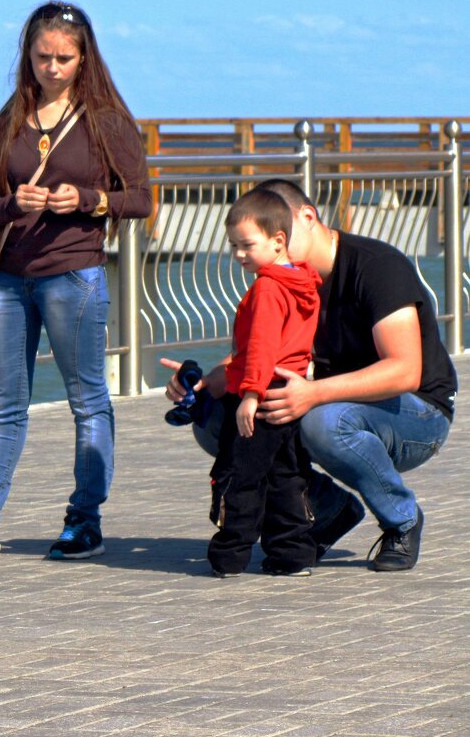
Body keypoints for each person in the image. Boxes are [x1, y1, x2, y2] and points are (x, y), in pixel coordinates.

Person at [0, 1, 151, 559]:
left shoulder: (107, 122)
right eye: (42, 57)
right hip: (9, 280)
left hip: (75, 275)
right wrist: (11, 202)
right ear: (28, 56)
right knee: (5, 405)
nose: (53, 68)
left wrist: (89, 200)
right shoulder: (11, 119)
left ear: (84, 58)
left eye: (64, 58)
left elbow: (139, 199)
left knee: (88, 400)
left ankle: (84, 520)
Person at [165, 179, 457, 572]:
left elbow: (405, 371)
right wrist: (199, 384)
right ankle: (326, 511)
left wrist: (313, 393)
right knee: (218, 419)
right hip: (333, 399)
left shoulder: (376, 267)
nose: (275, 245)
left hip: (417, 414)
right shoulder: (285, 280)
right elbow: (259, 355)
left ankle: (401, 519)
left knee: (324, 422)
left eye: (278, 233)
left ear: (306, 217)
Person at [206, 188, 320, 577]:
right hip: (289, 388)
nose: (239, 254)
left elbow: (261, 346)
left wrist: (249, 396)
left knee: (243, 475)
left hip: (264, 388)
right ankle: (293, 555)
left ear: (278, 241)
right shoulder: (303, 281)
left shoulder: (268, 288)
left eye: (247, 245)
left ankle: (230, 555)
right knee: (286, 476)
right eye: (233, 245)